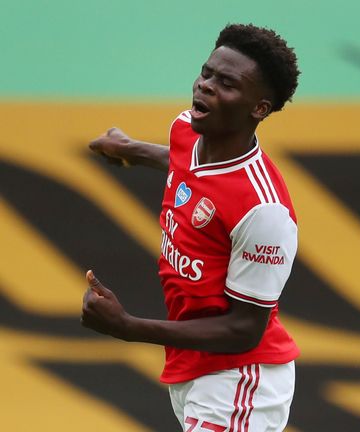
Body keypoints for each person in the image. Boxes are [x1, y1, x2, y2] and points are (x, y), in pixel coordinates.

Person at [81, 24, 301, 432]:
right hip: (192, 371)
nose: (205, 87)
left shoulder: (263, 210)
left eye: (227, 84)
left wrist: (127, 327)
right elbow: (185, 165)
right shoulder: (187, 128)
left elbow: (244, 330)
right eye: (207, 73)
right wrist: (130, 149)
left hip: (240, 381)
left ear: (260, 108)